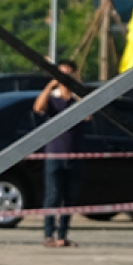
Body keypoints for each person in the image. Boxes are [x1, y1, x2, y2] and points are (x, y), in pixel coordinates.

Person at [34, 60, 88, 248]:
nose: (64, 79)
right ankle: (49, 234)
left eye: (68, 75)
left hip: (75, 156)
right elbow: (38, 108)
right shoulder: (53, 99)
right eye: (61, 75)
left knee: (69, 198)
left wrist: (76, 88)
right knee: (53, 195)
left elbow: (88, 114)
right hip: (54, 154)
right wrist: (50, 86)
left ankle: (62, 235)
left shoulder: (76, 99)